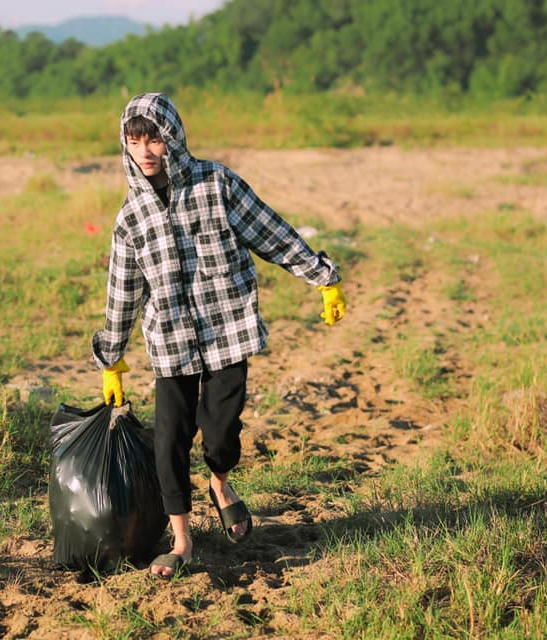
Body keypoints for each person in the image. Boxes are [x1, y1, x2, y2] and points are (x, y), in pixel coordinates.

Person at [92, 92, 346, 578]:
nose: (145, 150)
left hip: (227, 328)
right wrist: (111, 359)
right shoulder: (131, 219)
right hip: (170, 342)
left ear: (174, 139)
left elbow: (271, 233)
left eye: (154, 139)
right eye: (134, 140)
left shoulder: (217, 184)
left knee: (222, 433)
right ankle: (182, 539)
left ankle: (221, 482)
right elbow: (122, 293)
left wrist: (322, 278)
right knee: (169, 440)